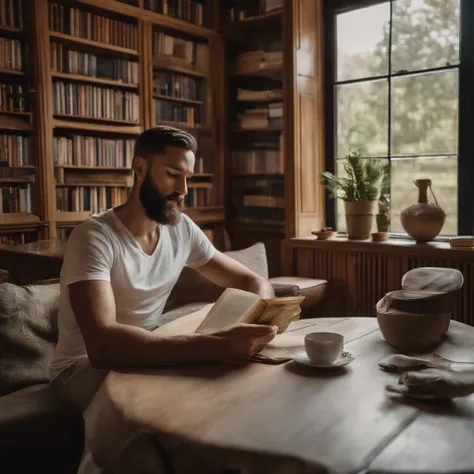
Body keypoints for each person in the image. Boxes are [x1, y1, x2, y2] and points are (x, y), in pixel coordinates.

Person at [49, 125, 281, 414]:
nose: (183, 190)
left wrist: (259, 317)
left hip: (149, 351)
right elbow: (103, 345)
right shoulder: (94, 236)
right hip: (80, 368)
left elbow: (251, 280)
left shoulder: (181, 228)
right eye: (172, 175)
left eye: (187, 178)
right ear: (139, 167)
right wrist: (215, 346)